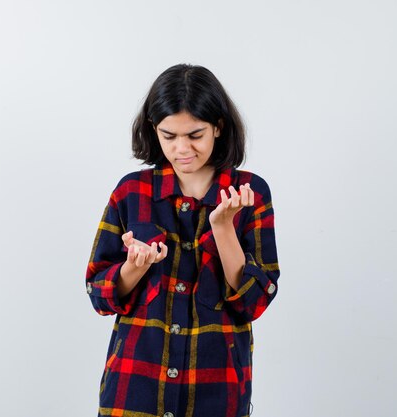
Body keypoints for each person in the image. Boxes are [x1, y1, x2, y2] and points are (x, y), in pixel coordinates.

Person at [84, 63, 280, 417]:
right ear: (153, 130)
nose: (181, 149)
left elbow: (254, 301)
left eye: (195, 135)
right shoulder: (131, 192)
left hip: (216, 390)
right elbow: (98, 294)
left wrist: (223, 228)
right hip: (133, 390)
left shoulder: (249, 193)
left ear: (218, 127)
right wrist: (133, 268)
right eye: (168, 136)